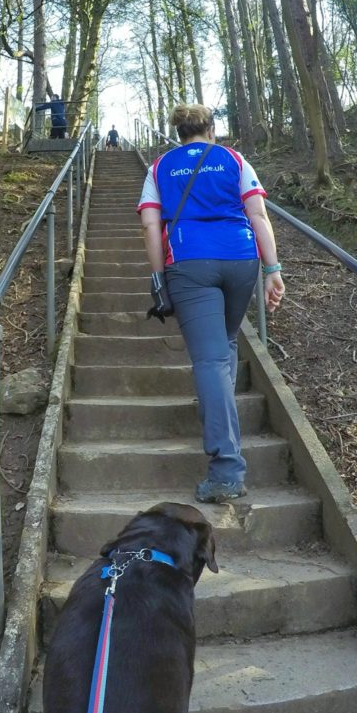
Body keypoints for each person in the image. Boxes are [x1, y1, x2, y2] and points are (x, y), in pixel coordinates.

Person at [137, 103, 285, 503]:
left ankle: (226, 470)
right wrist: (273, 269)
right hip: (241, 259)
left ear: (178, 132)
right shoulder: (234, 159)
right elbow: (259, 215)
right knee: (225, 346)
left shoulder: (160, 167)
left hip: (189, 263)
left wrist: (158, 277)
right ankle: (219, 418)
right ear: (211, 128)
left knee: (211, 360)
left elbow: (151, 224)